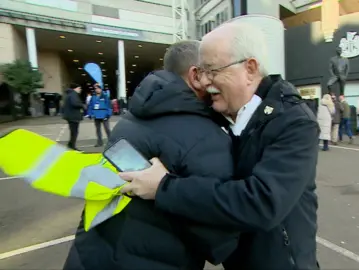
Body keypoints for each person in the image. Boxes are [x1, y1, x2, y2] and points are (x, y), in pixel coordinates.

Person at [119, 21, 320, 270]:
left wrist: (163, 188)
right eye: (201, 72)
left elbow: (262, 203)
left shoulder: (294, 122)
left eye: (213, 70)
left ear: (250, 69)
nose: (204, 82)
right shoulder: (220, 113)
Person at [63, 40, 239, 270]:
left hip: (88, 255)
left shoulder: (131, 119)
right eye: (214, 71)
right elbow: (218, 241)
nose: (218, 80)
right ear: (196, 76)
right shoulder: (206, 138)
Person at [62, 83, 84, 150]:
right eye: (79, 88)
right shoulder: (73, 94)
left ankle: (70, 145)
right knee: (74, 132)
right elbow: (75, 103)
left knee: (73, 132)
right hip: (73, 116)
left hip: (71, 116)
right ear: (75, 88)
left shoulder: (70, 94)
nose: (80, 90)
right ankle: (72, 146)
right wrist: (82, 105)